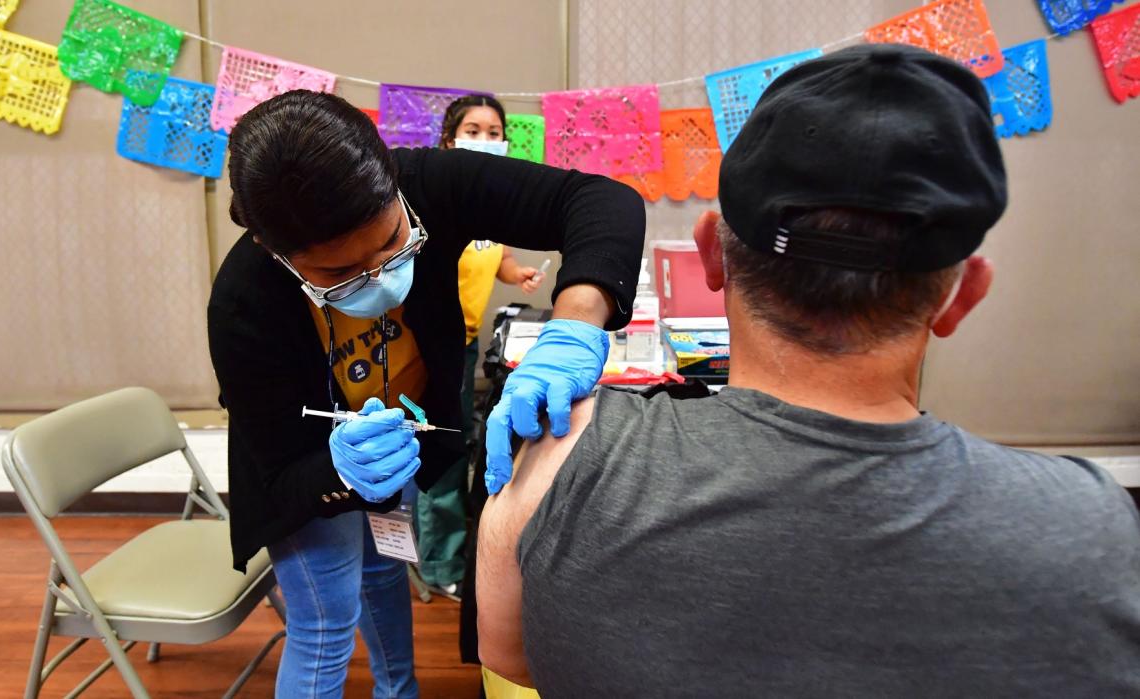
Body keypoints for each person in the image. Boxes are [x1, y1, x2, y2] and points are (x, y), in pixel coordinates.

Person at [475, 44, 1140, 696]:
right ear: (962, 295)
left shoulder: (559, 463)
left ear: (711, 256)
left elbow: (507, 653)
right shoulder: (1091, 535)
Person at [207, 90, 643, 697]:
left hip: (398, 439)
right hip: (309, 465)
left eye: (393, 243)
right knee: (327, 621)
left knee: (387, 572)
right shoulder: (243, 304)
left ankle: (398, 691)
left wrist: (574, 324)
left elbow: (601, 201)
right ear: (273, 250)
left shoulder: (426, 183)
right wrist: (337, 468)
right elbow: (277, 471)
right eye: (339, 274)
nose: (380, 277)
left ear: (392, 180)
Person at [415, 94, 547, 599]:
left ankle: (452, 543)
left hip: (466, 342)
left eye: (495, 132)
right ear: (449, 139)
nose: (486, 139)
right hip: (429, 346)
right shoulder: (432, 196)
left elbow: (500, 258)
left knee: (459, 443)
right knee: (441, 450)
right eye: (474, 129)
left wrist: (520, 274)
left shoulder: (490, 203)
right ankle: (441, 563)